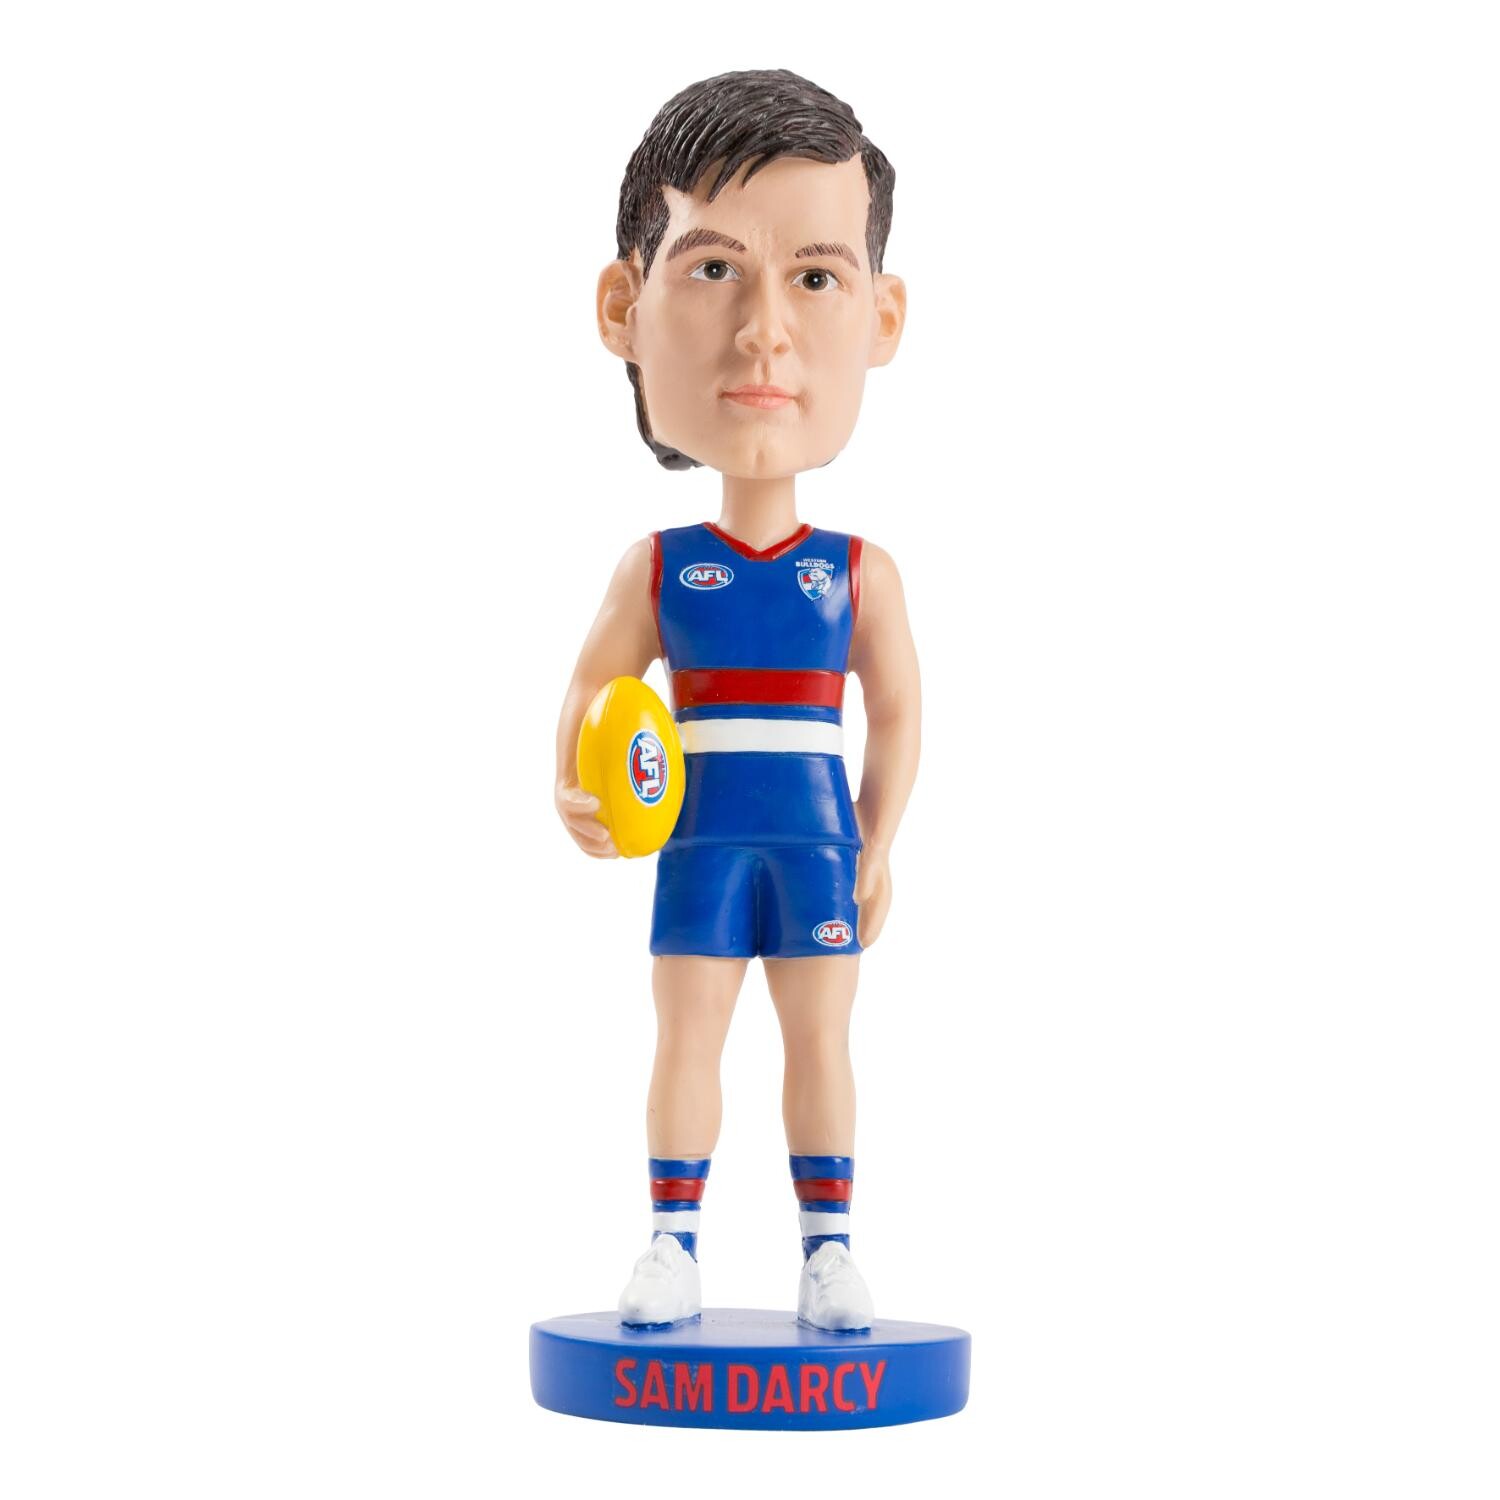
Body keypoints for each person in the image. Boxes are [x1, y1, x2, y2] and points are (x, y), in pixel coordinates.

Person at [553, 70, 918, 1331]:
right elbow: (596, 688)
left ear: (881, 314)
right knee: (687, 1036)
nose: (766, 331)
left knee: (821, 1042)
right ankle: (671, 1242)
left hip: (814, 841)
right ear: (626, 306)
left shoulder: (858, 571)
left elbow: (898, 713)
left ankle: (831, 1249)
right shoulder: (658, 568)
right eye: (713, 269)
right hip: (701, 838)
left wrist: (879, 838)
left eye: (815, 276)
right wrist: (576, 787)